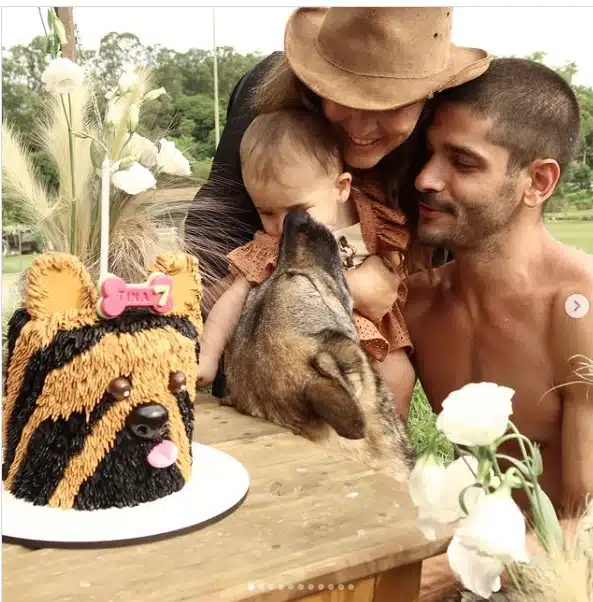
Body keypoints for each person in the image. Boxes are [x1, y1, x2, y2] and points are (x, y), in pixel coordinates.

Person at [184, 7, 492, 400]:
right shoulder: (267, 122)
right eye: (343, 96)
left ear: (430, 97)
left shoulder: (450, 130)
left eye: (390, 105)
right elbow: (209, 265)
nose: (361, 128)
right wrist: (341, 286)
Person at [402, 57, 593, 601]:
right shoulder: (416, 303)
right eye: (429, 154)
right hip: (461, 561)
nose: (425, 178)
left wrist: (450, 573)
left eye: (462, 162)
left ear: (537, 181)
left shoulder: (578, 310)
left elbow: (588, 522)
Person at [196, 109, 414, 407]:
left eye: (297, 210)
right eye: (266, 212)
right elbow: (231, 301)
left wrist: (391, 267)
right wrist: (207, 358)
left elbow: (394, 256)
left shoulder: (370, 216)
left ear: (341, 188)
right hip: (307, 345)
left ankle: (389, 445)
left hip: (373, 339)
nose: (284, 225)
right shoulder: (273, 246)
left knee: (399, 376)